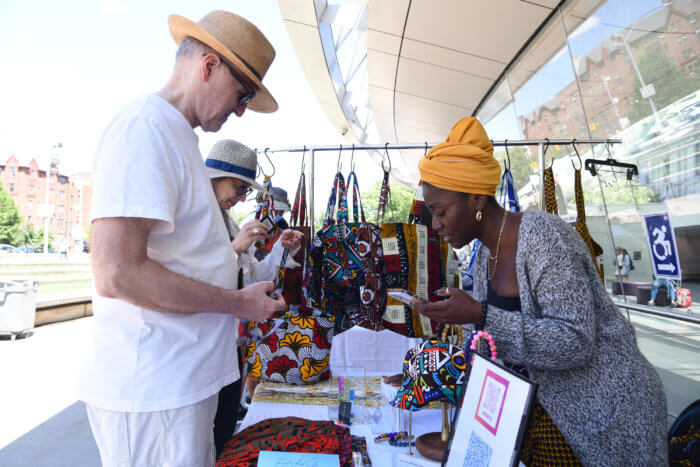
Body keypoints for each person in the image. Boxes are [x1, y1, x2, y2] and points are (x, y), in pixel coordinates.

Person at [79, 11, 286, 467]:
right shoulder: (144, 128)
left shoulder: (175, 135)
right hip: (155, 389)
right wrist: (238, 303)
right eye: (242, 94)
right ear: (209, 66)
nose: (240, 110)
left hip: (174, 386)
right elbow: (117, 272)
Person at [411, 117, 667, 465]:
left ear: (476, 199)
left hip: (608, 419)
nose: (436, 224)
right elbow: (500, 349)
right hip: (551, 420)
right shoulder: (485, 255)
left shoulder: (544, 238)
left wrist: (479, 314)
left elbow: (575, 342)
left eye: (440, 212)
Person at [206, 139, 302, 456]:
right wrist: (235, 248)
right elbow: (189, 278)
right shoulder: (195, 220)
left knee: (223, 427)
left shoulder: (227, 221)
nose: (242, 197)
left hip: (227, 344)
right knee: (205, 433)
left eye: (247, 191)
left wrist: (280, 250)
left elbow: (253, 277)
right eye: (240, 187)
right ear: (216, 177)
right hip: (202, 348)